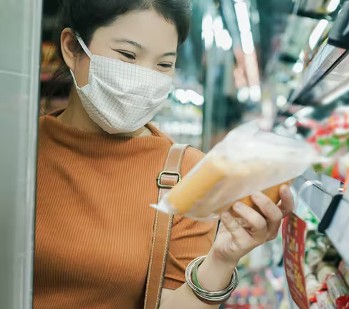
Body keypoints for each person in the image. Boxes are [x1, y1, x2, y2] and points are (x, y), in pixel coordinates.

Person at [35, 1, 294, 309]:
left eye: (163, 64)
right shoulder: (18, 148)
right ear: (71, 48)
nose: (145, 79)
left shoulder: (187, 172)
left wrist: (222, 260)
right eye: (127, 55)